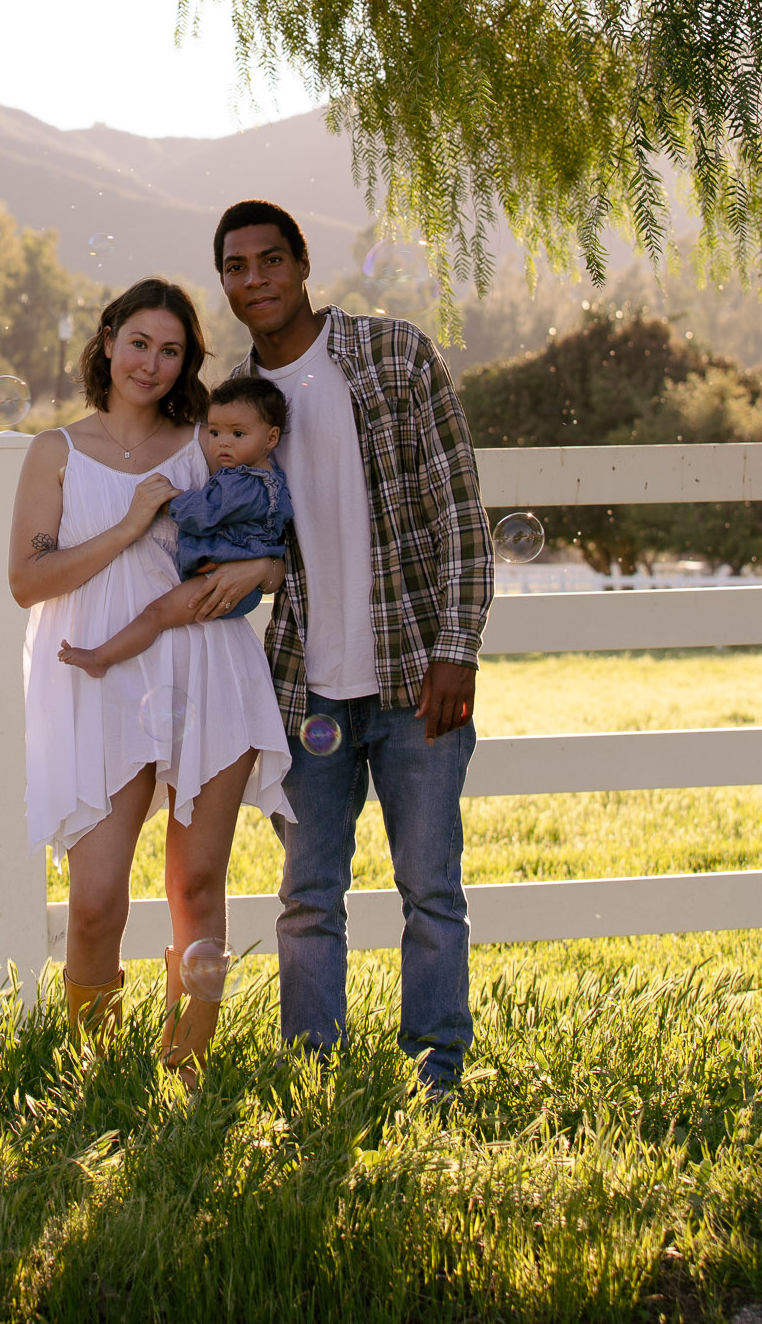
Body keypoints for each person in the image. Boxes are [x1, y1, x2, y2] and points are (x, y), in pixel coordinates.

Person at [215, 199, 493, 1094]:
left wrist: (459, 646)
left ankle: (436, 1070)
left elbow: (458, 511)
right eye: (234, 266)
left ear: (302, 265)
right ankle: (312, 1072)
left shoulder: (393, 356)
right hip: (303, 688)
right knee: (307, 897)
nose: (252, 279)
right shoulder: (233, 406)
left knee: (430, 888)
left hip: (416, 676)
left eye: (268, 260)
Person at [11, 279, 293, 1083]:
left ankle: (186, 1074)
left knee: (197, 885)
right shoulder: (54, 452)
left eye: (172, 351)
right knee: (96, 900)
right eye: (139, 343)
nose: (153, 363)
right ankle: (93, 1074)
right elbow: (29, 583)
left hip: (204, 664)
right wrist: (132, 524)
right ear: (107, 340)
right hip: (97, 673)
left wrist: (265, 566)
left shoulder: (207, 443)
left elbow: (274, 535)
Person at [58, 376, 293, 675]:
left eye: (237, 433)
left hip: (222, 583)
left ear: (271, 439)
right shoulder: (261, 479)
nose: (223, 442)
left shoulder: (245, 485)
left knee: (155, 615)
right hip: (225, 577)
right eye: (216, 431)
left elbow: (204, 512)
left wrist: (170, 499)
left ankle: (100, 659)